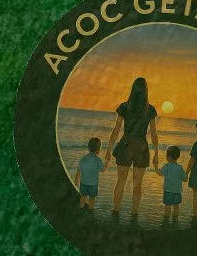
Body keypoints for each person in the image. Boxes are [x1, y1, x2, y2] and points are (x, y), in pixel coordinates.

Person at [104, 77, 158, 221]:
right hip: (141, 147)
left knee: (120, 181)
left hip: (125, 145)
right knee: (137, 184)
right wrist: (157, 153)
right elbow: (153, 133)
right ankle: (134, 214)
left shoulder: (124, 106)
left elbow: (116, 130)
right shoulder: (150, 110)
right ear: (146, 91)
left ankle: (115, 211)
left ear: (132, 90)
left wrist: (108, 150)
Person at [74, 137, 105, 211]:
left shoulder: (83, 158)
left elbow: (78, 171)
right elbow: (102, 170)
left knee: (83, 196)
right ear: (98, 150)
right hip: (93, 184)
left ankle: (81, 208)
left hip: (83, 182)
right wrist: (107, 162)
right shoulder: (98, 160)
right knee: (92, 198)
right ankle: (90, 209)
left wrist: (76, 182)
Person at [158, 146, 186, 226]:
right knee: (176, 206)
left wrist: (156, 167)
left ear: (169, 157)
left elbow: (160, 173)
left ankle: (166, 219)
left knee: (168, 206)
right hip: (177, 191)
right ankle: (175, 220)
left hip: (168, 191)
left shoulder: (167, 166)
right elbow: (185, 179)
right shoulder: (180, 167)